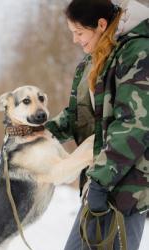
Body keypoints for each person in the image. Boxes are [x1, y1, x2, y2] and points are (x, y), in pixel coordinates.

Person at [45, 0, 149, 249]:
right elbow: (77, 115)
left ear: (101, 25)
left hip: (126, 189)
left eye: (79, 32)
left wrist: (101, 181)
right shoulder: (93, 61)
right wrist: (37, 134)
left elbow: (135, 124)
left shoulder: (138, 52)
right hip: (101, 183)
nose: (75, 40)